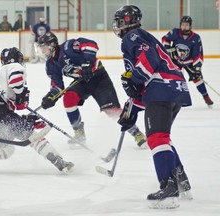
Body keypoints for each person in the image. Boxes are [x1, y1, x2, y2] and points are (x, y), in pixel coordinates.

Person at [113, 5, 193, 209]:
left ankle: (168, 190)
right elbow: (143, 87)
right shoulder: (142, 36)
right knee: (162, 137)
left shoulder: (130, 36)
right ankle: (180, 178)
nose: (117, 25)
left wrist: (135, 79)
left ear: (128, 21)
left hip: (162, 87)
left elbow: (150, 60)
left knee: (157, 138)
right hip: (173, 88)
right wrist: (131, 109)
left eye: (120, 20)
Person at [0, 47, 74, 174]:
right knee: (32, 135)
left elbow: (13, 107)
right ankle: (59, 162)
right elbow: (15, 82)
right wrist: (20, 94)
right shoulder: (14, 67)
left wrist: (24, 119)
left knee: (7, 149)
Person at [37, 32, 147, 149]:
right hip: (81, 81)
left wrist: (88, 62)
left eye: (44, 48)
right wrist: (51, 96)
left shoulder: (67, 47)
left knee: (111, 110)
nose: (43, 52)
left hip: (98, 78)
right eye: (41, 49)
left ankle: (137, 133)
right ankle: (79, 132)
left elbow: (91, 44)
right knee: (69, 98)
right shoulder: (50, 65)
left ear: (52, 45)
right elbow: (57, 85)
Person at [162, 16, 214, 107]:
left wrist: (197, 68)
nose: (184, 27)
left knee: (197, 79)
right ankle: (169, 98)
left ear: (190, 26)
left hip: (189, 62)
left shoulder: (196, 38)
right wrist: (168, 48)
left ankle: (206, 97)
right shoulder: (175, 32)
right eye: (182, 25)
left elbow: (198, 54)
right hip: (176, 60)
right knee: (171, 78)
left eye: (186, 25)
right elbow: (165, 39)